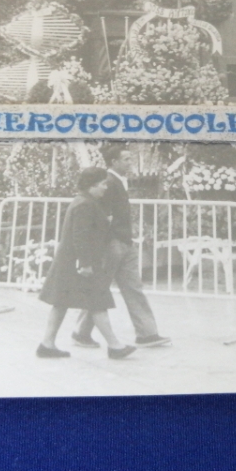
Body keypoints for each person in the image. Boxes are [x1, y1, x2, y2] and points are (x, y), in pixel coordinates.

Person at [72, 144, 171, 349]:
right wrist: (109, 240)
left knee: (132, 288)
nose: (130, 163)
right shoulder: (108, 183)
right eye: (126, 159)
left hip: (124, 243)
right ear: (114, 162)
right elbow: (99, 215)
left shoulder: (116, 181)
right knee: (101, 289)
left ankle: (147, 333)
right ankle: (81, 333)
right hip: (113, 244)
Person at [36, 168, 136, 360]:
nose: (106, 187)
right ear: (92, 185)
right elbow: (80, 236)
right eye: (103, 184)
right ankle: (114, 346)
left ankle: (47, 344)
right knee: (97, 300)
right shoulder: (86, 204)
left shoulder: (84, 201)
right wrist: (85, 264)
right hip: (81, 264)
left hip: (70, 262)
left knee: (62, 302)